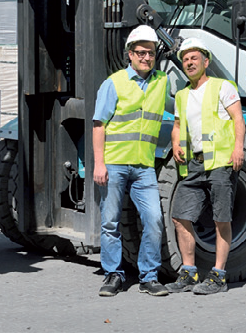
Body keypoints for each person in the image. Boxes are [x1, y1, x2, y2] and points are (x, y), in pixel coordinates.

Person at [92, 25, 170, 297]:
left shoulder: (162, 81)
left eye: (150, 53)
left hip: (144, 166)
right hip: (114, 164)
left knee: (153, 219)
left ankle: (149, 276)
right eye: (140, 52)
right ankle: (114, 274)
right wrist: (99, 164)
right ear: (130, 54)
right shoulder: (113, 83)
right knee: (110, 221)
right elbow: (99, 125)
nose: (146, 58)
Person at [167, 36, 245, 295]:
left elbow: (238, 119)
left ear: (206, 61)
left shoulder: (222, 86)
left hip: (221, 162)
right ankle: (189, 273)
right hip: (194, 165)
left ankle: (219, 276)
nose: (189, 62)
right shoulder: (181, 95)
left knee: (220, 219)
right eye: (185, 59)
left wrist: (238, 149)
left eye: (194, 58)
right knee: (180, 216)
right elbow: (178, 126)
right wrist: (176, 144)